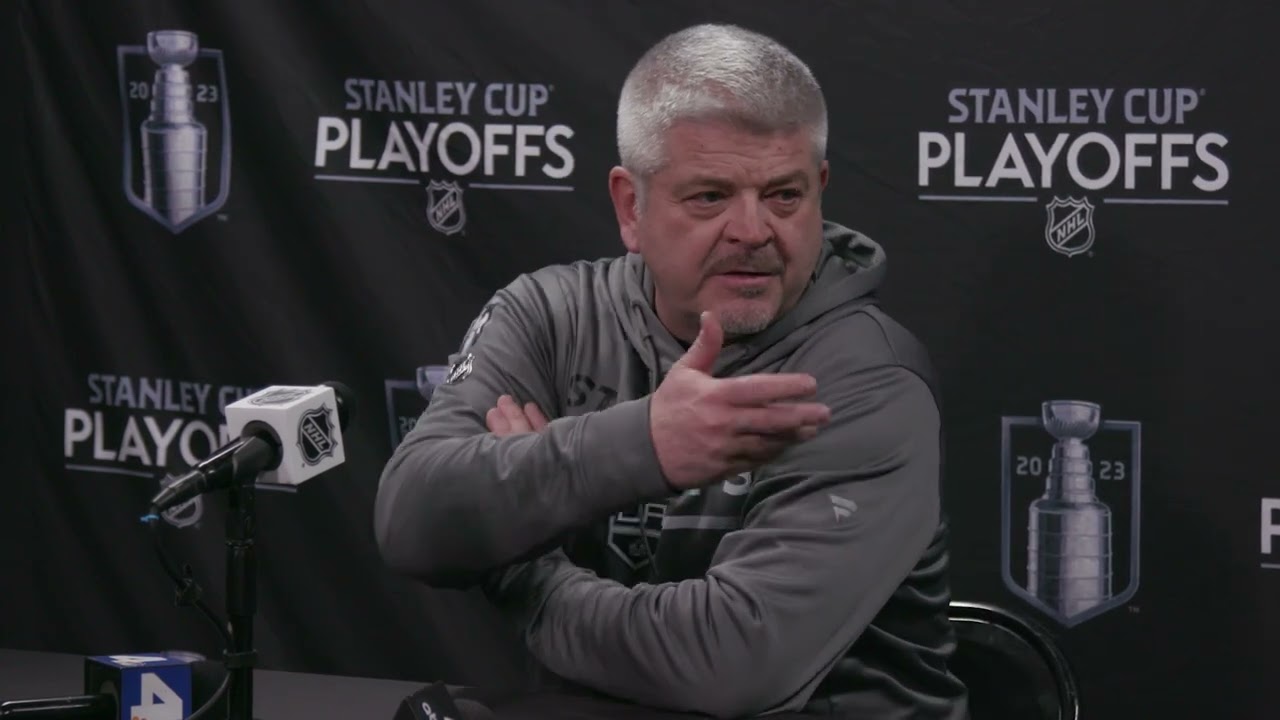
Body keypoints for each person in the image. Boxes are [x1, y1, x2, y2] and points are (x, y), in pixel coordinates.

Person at [374, 22, 969, 720]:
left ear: (820, 188)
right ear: (632, 206)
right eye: (710, 197)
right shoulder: (551, 315)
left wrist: (524, 569)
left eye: (784, 195)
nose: (753, 230)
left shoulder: (867, 377)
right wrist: (642, 444)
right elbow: (412, 521)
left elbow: (730, 666)